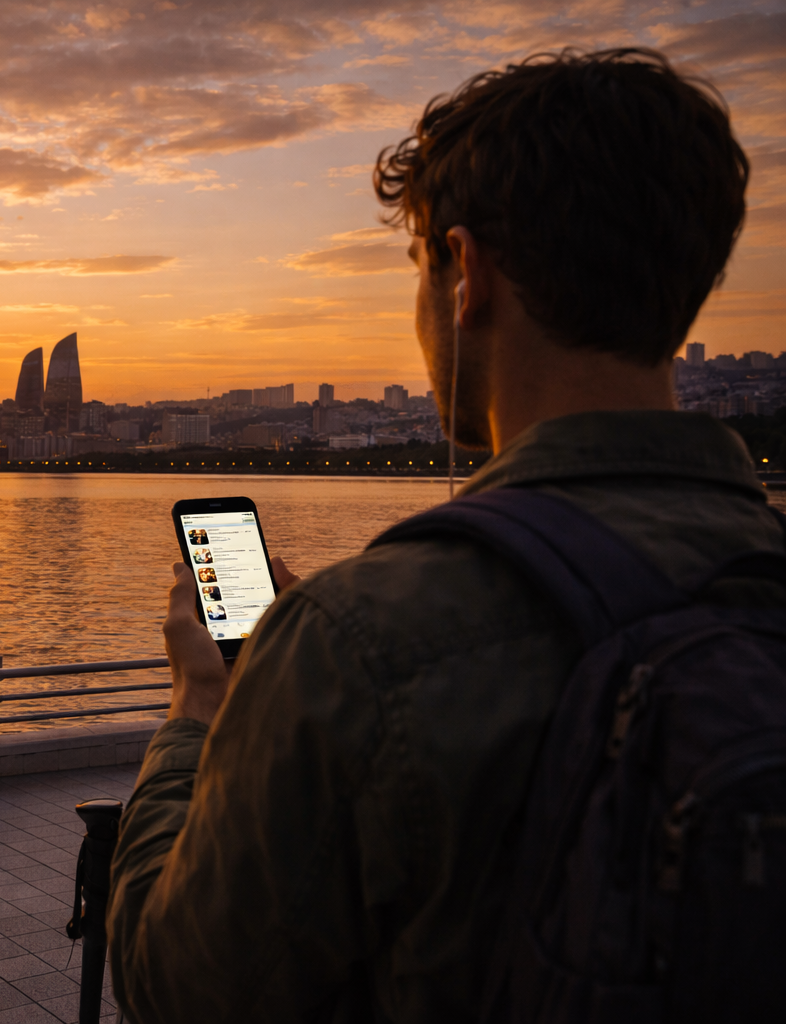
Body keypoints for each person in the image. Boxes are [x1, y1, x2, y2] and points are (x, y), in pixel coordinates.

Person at [109, 49, 781, 1022]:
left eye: (420, 268)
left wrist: (201, 707)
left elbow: (174, 989)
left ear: (466, 274)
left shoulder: (358, 641)